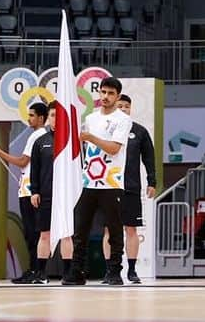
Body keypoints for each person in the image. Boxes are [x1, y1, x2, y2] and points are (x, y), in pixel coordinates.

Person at [65, 77, 132, 286]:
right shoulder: (91, 118)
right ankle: (77, 271)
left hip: (111, 182)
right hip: (88, 182)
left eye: (111, 93)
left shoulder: (122, 119)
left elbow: (113, 148)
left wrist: (91, 138)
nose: (105, 97)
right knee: (80, 228)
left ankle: (114, 271)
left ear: (118, 96)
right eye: (103, 92)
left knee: (113, 230)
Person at [0, 101, 48, 284]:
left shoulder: (38, 135)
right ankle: (33, 270)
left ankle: (36, 271)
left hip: (31, 190)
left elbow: (23, 161)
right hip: (27, 188)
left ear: (41, 117)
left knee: (33, 233)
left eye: (32, 115)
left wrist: (0, 153)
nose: (29, 118)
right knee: (31, 233)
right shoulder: (37, 135)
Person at [101, 94, 157, 285]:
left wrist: (152, 181)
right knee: (108, 230)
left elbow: (149, 158)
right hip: (109, 186)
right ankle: (110, 270)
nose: (123, 109)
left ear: (130, 109)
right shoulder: (106, 131)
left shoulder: (139, 132)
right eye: (120, 106)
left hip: (131, 187)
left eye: (126, 106)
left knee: (130, 228)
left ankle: (132, 270)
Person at [28, 104, 73, 284]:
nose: (56, 119)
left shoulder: (72, 141)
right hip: (46, 195)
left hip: (67, 196)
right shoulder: (40, 141)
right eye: (53, 115)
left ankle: (68, 273)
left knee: (67, 234)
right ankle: (40, 273)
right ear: (48, 118)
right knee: (44, 235)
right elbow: (35, 170)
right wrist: (34, 191)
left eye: (59, 115)